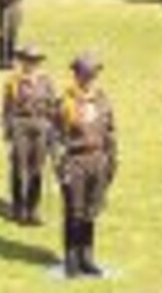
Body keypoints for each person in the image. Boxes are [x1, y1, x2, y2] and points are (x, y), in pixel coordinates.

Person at [55, 53, 118, 278]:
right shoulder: (66, 102)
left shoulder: (102, 100)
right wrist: (61, 166)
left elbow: (110, 131)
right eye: (86, 74)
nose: (90, 79)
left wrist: (111, 160)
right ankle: (71, 259)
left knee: (91, 210)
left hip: (98, 160)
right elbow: (56, 137)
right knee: (74, 211)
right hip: (76, 161)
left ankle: (87, 257)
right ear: (77, 75)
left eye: (94, 75)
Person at [3, 46, 56, 225]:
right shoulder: (14, 81)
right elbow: (8, 108)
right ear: (22, 61)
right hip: (20, 125)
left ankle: (33, 208)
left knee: (37, 169)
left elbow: (52, 106)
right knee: (19, 167)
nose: (31, 64)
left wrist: (52, 128)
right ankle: (17, 207)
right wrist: (8, 129)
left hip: (41, 126)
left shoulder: (46, 82)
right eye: (27, 60)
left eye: (34, 61)